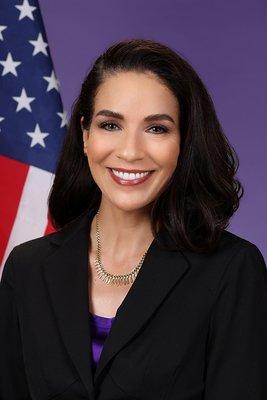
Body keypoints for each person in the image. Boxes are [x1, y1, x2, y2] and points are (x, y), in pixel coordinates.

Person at [0, 38, 267, 400]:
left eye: (157, 128)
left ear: (184, 141)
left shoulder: (232, 270)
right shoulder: (26, 268)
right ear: (85, 135)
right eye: (111, 125)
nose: (129, 151)